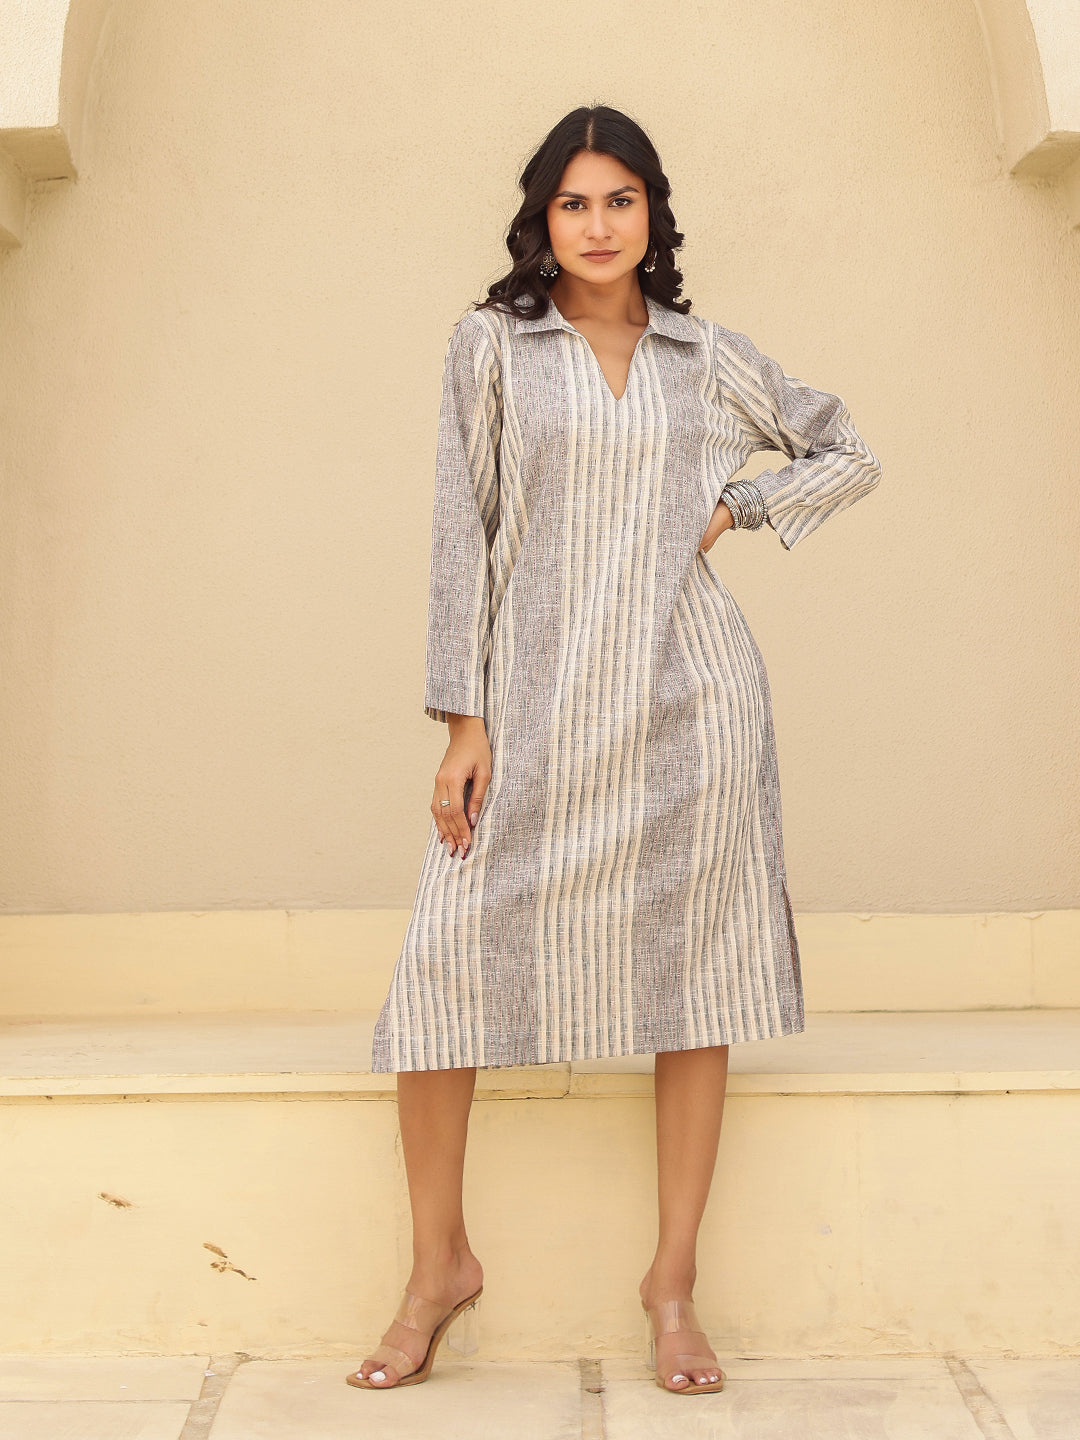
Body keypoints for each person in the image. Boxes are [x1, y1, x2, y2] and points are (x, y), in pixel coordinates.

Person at [349, 104, 881, 1396]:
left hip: (690, 708)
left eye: (621, 200)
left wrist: (738, 506)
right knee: (443, 971)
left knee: (696, 983)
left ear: (654, 213)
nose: (598, 225)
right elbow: (463, 530)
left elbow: (845, 449)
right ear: (543, 218)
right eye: (574, 203)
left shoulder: (706, 356)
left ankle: (672, 1284)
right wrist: (463, 721)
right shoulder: (493, 345)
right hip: (530, 709)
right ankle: (437, 1267)